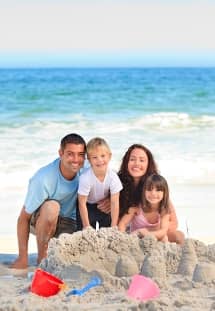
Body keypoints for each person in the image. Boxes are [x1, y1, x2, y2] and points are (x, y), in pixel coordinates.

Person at [10, 133, 87, 269]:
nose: (76, 159)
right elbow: (23, 218)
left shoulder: (87, 171)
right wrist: (23, 258)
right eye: (70, 154)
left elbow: (110, 182)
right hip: (42, 221)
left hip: (70, 224)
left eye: (80, 154)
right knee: (52, 207)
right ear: (60, 153)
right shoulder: (44, 178)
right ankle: (42, 257)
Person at [118, 144, 185, 245]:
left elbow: (174, 223)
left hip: (157, 232)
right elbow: (121, 223)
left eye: (142, 160)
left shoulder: (155, 186)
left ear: (148, 164)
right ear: (126, 162)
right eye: (132, 159)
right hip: (132, 233)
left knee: (178, 235)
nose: (136, 163)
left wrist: (151, 232)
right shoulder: (117, 183)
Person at [77, 137, 122, 230]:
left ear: (109, 156)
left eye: (103, 156)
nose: (99, 160)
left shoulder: (113, 177)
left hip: (103, 206)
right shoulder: (85, 178)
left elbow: (114, 203)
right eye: (94, 157)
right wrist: (86, 226)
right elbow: (81, 203)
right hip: (87, 207)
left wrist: (114, 226)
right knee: (86, 233)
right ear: (89, 159)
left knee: (108, 230)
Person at [118, 174, 170, 242]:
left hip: (152, 237)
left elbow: (163, 231)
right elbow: (122, 224)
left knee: (165, 238)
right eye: (149, 189)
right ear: (144, 191)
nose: (153, 193)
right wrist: (123, 237)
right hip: (136, 237)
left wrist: (146, 234)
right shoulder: (136, 207)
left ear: (164, 193)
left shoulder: (164, 210)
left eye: (158, 190)